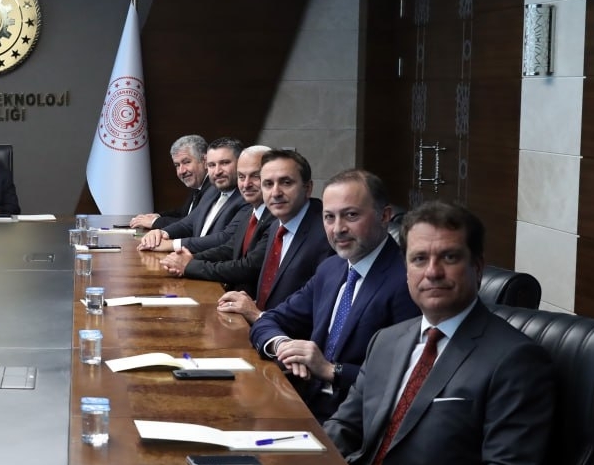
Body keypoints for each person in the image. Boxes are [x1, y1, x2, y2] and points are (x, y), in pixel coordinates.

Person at [324, 201, 554, 465]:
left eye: (449, 257)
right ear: (406, 270)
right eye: (419, 259)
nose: (432, 272)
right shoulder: (388, 340)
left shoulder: (515, 359)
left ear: (477, 267)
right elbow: (346, 426)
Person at [248, 170, 418, 421]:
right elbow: (268, 320)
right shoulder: (332, 268)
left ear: (384, 216)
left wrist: (330, 370)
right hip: (303, 402)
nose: (338, 229)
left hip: (356, 421)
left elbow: (407, 378)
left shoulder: (407, 281)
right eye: (329, 217)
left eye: (351, 215)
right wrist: (283, 346)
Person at [216, 148, 333, 323]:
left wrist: (256, 314)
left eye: (286, 182)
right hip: (265, 327)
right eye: (268, 184)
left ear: (308, 188)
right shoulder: (275, 226)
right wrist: (252, 304)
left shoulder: (326, 235)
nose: (276, 193)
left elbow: (316, 310)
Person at [159, 145, 274, 296]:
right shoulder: (250, 211)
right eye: (241, 176)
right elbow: (229, 248)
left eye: (255, 176)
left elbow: (248, 267)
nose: (246, 184)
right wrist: (189, 258)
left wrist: (190, 266)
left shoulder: (274, 217)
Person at [138, 137, 246, 252]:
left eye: (224, 163)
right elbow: (188, 223)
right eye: (212, 165)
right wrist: (161, 233)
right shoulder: (212, 190)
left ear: (241, 163)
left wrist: (173, 244)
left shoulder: (247, 198)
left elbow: (224, 239)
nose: (217, 171)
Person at [129, 135, 207, 230]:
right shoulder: (198, 185)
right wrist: (157, 216)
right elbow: (184, 213)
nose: (181, 171)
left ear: (205, 161)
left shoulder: (214, 188)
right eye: (177, 165)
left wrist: (155, 222)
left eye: (186, 162)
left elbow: (194, 223)